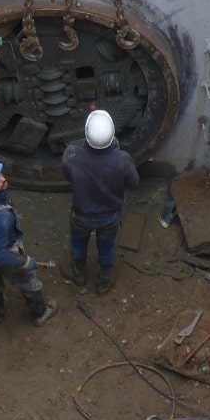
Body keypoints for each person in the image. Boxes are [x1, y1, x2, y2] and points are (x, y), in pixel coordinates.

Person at [0, 159, 58, 326]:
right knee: (28, 281)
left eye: (0, 174)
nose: (2, 179)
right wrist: (24, 261)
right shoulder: (2, 218)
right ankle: (39, 313)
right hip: (4, 251)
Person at [62, 109, 138, 295]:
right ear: (112, 135)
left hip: (81, 214)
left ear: (86, 133)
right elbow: (134, 184)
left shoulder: (71, 155)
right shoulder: (123, 160)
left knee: (78, 244)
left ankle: (79, 276)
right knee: (106, 247)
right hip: (110, 215)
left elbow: (68, 177)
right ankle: (103, 282)